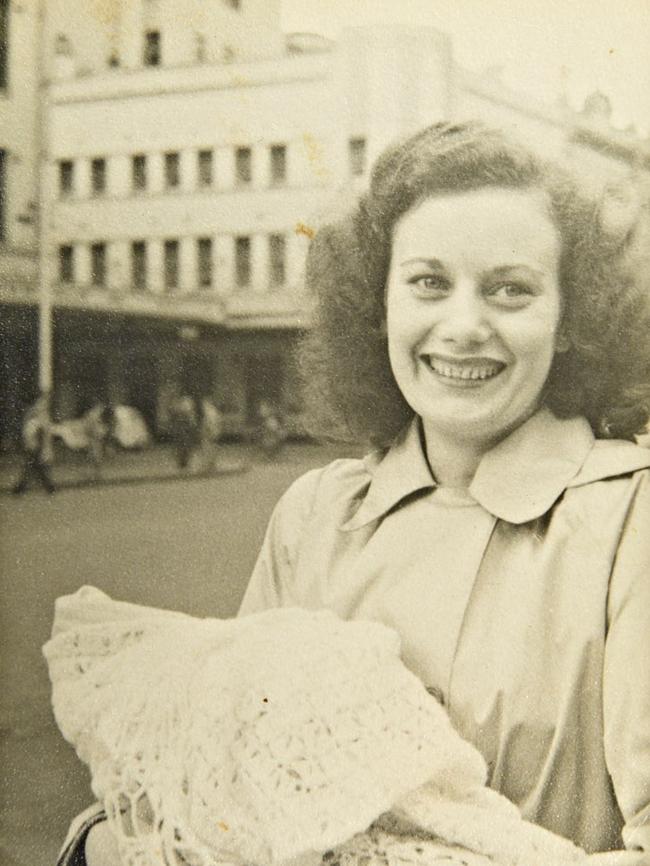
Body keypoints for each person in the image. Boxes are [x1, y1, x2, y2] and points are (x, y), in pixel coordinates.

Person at [63, 121, 650, 865]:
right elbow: (237, 794)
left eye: (511, 290)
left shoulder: (632, 522)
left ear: (570, 321)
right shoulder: (313, 515)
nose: (463, 326)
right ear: (379, 310)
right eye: (429, 283)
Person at [12, 391, 56, 495]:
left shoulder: (37, 413)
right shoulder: (35, 413)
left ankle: (21, 488)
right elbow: (31, 430)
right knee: (34, 467)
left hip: (35, 444)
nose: (44, 404)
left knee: (33, 467)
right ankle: (48, 487)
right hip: (34, 444)